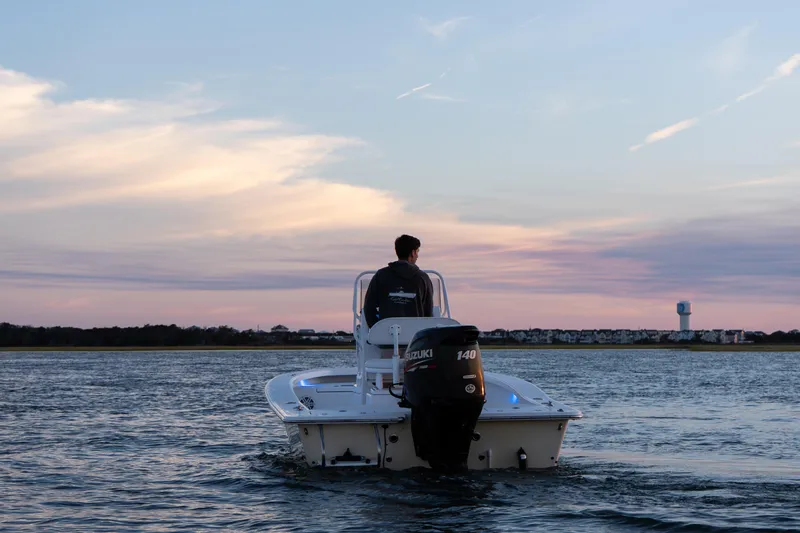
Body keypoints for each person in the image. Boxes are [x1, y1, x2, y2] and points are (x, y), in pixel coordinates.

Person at [363, 234, 434, 328]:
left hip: (385, 338)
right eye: (417, 252)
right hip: (414, 338)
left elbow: (369, 308)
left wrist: (377, 330)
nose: (417, 256)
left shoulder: (380, 275)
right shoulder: (423, 278)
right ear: (413, 253)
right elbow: (428, 313)